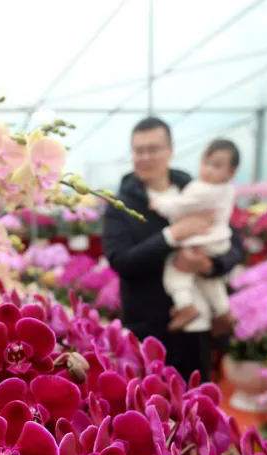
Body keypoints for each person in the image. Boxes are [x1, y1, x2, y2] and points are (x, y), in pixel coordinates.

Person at [103, 118, 246, 381]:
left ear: (170, 150)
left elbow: (235, 245)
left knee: (197, 397)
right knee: (149, 400)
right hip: (149, 329)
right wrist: (171, 236)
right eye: (138, 151)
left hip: (198, 328)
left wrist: (209, 265)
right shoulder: (121, 205)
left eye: (153, 149)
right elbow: (121, 261)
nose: (145, 157)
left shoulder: (198, 189)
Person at [151, 138, 240, 332]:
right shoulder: (227, 189)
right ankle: (223, 311)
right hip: (218, 243)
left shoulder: (203, 189)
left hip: (203, 241)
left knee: (175, 271)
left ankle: (185, 306)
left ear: (231, 172)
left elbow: (179, 207)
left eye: (216, 166)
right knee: (210, 279)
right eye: (205, 163)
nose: (207, 170)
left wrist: (158, 204)